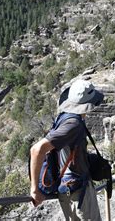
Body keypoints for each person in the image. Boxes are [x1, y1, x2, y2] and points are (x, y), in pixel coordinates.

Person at [29, 79, 104, 220]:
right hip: (77, 192)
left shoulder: (64, 117)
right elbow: (36, 150)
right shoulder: (73, 124)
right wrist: (35, 190)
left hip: (72, 189)